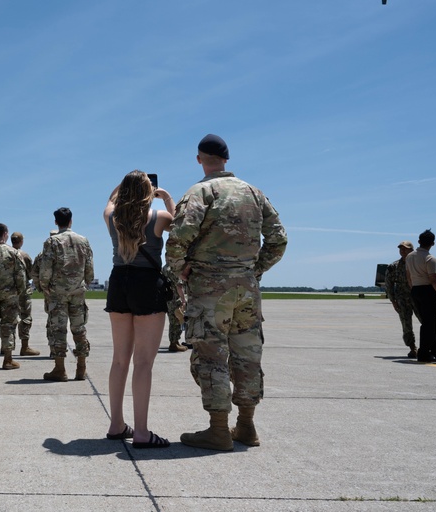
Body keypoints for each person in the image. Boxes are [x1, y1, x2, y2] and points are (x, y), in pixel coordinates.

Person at [166, 134, 287, 451]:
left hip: (209, 288)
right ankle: (246, 425)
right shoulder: (253, 192)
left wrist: (179, 271)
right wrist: (253, 270)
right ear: (226, 160)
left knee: (211, 358)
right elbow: (279, 240)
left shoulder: (201, 192)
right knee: (248, 356)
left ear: (199, 159)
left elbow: (179, 237)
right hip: (246, 289)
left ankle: (219, 430)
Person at [103, 171, 174, 448]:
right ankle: (142, 432)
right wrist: (166, 196)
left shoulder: (112, 217)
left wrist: (126, 184)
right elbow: (182, 224)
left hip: (119, 281)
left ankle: (116, 424)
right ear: (149, 191)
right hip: (147, 284)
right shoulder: (158, 217)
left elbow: (110, 201)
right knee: (143, 362)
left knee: (120, 359)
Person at [37, 208, 94, 382]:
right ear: (71, 220)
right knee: (79, 329)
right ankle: (81, 368)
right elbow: (89, 269)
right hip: (77, 291)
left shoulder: (51, 242)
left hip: (58, 293)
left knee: (58, 330)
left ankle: (60, 369)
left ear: (56, 222)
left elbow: (45, 268)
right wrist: (85, 282)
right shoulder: (83, 240)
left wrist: (44, 286)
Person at [0, 224, 28, 370]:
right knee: (8, 325)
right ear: (6, 234)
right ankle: (8, 359)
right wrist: (19, 292)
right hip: (10, 296)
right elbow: (21, 276)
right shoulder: (13, 253)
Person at [405, 229, 436, 363]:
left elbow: (408, 277)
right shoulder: (430, 259)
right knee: (429, 325)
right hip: (428, 291)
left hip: (415, 290)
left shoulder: (410, 256)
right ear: (433, 243)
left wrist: (414, 289)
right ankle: (424, 353)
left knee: (426, 323)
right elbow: (434, 280)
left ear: (419, 241)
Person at [384, 241, 420, 358]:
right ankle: (412, 348)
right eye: (401, 249)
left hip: (417, 297)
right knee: (406, 324)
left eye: (406, 249)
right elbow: (389, 285)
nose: (403, 251)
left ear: (412, 250)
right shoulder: (393, 266)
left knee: (426, 322)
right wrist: (393, 301)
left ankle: (434, 347)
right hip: (402, 299)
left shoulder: (418, 263)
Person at [11, 232, 40, 356]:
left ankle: (7, 346)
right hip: (23, 290)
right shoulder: (24, 255)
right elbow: (30, 273)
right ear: (21, 241)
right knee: (25, 317)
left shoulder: (7, 252)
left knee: (9, 317)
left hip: (9, 290)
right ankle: (24, 346)